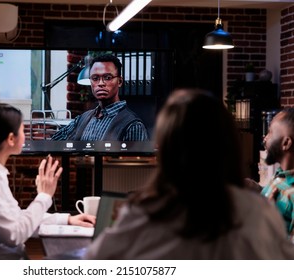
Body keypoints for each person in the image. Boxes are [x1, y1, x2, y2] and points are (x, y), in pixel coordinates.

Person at [84, 88, 294, 259]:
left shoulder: (144, 213)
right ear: (229, 145)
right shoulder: (260, 212)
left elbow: (94, 261)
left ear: (166, 148)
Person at [0, 103, 96, 259]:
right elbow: (15, 234)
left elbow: (17, 218)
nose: (25, 135)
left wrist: (68, 219)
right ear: (11, 139)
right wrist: (44, 196)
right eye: (22, 130)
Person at [51, 54, 149, 141]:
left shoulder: (133, 125)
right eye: (95, 78)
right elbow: (53, 143)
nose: (101, 83)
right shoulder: (83, 118)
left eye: (107, 78)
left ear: (120, 81)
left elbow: (138, 161)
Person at [245, 108, 294, 240]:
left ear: (286, 143)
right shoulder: (281, 175)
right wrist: (252, 187)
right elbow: (273, 199)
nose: (264, 137)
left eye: (270, 132)